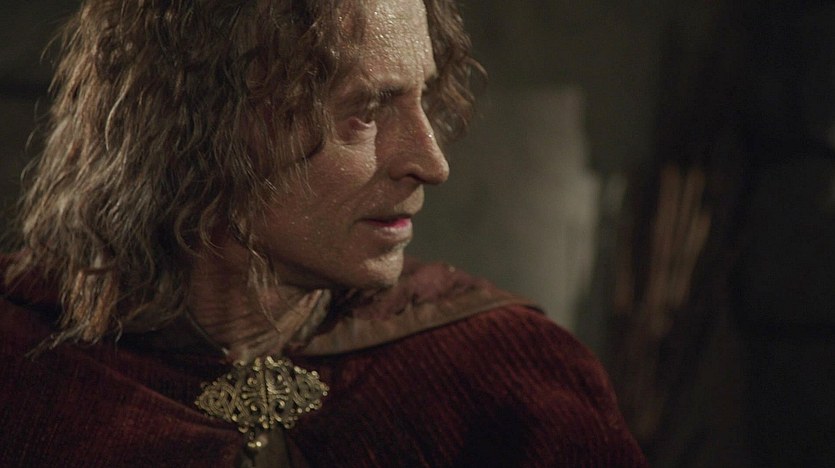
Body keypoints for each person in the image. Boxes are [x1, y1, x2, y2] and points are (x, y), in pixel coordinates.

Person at [0, 0, 647, 466]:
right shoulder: (25, 368)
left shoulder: (507, 374)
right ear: (207, 120)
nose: (430, 163)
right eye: (365, 110)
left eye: (422, 99)